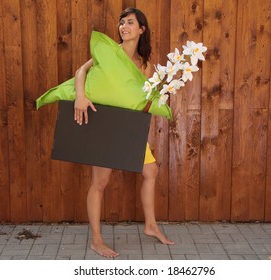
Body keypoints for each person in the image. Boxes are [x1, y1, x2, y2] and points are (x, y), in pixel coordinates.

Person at [73, 8, 175, 258]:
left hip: (129, 127)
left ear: (142, 29)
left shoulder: (146, 65)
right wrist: (80, 97)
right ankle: (97, 240)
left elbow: (144, 102)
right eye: (121, 23)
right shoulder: (110, 52)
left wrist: (161, 97)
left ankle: (150, 226)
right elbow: (81, 71)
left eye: (130, 22)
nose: (123, 26)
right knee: (100, 182)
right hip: (106, 123)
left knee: (151, 170)